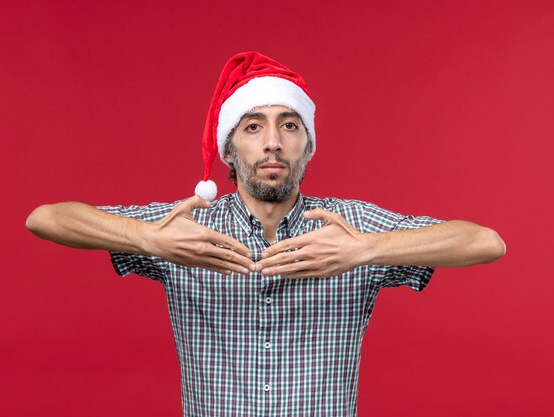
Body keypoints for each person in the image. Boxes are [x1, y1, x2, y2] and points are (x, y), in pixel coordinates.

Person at [26, 51, 506, 417]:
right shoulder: (184, 228)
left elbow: (485, 242)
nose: (272, 141)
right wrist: (146, 238)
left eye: (289, 126)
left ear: (308, 148)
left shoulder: (346, 227)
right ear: (230, 151)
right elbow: (45, 218)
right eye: (253, 127)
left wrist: (366, 249)